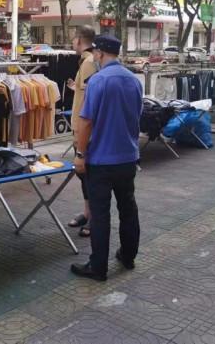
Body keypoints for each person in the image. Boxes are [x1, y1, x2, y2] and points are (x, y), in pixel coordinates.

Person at [71, 35, 143, 281]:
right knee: (128, 209)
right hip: (127, 158)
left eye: (95, 53)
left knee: (100, 214)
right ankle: (128, 256)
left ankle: (98, 267)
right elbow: (137, 117)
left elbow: (86, 121)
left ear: (100, 54)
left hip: (101, 161)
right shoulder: (134, 80)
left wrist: (80, 155)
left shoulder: (98, 80)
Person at [66, 25, 98, 237]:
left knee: (88, 174)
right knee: (83, 174)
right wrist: (75, 87)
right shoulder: (89, 61)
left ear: (78, 40)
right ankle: (87, 213)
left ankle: (93, 217)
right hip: (82, 128)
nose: (72, 43)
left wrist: (80, 132)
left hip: (85, 129)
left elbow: (89, 100)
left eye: (73, 39)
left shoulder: (88, 62)